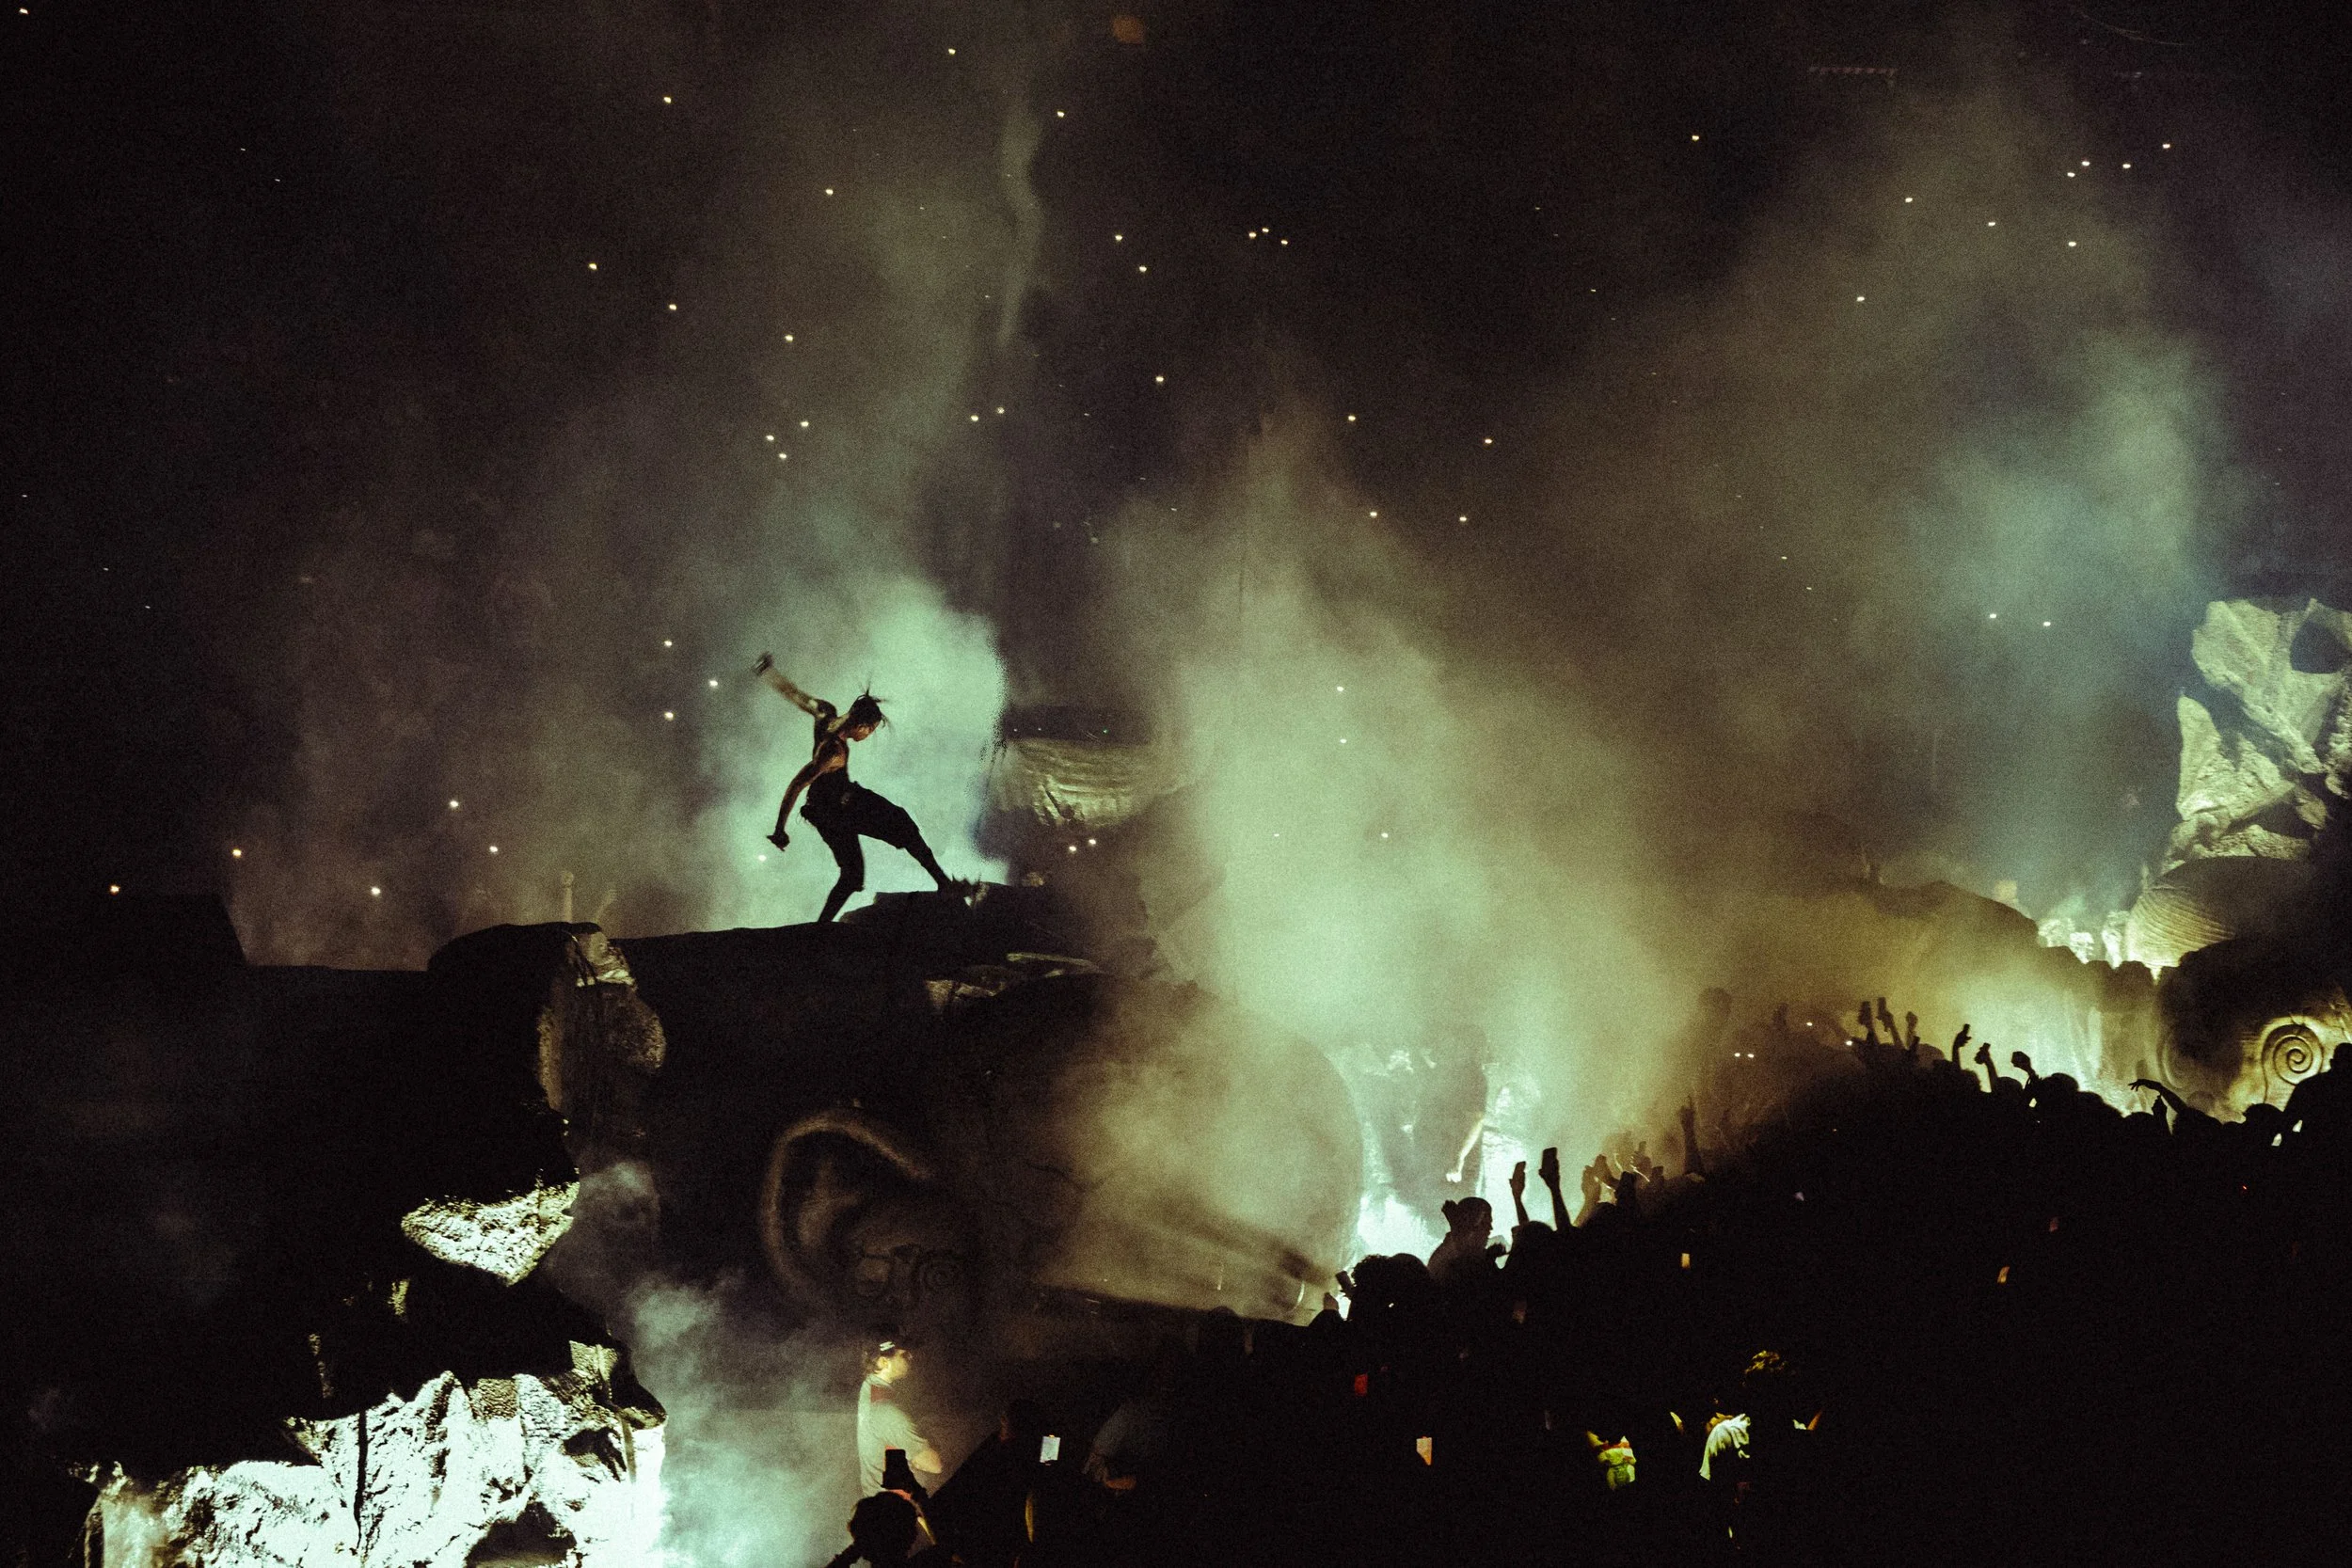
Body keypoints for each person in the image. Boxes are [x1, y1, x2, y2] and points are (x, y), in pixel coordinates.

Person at [755, 653, 958, 923]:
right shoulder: (833, 751)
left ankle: (822, 925)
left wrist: (767, 672)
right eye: (870, 731)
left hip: (833, 805)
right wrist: (780, 829)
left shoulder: (824, 712)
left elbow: (795, 695)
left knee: (853, 876)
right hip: (835, 810)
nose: (867, 736)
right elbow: (797, 784)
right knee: (901, 823)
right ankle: (944, 884)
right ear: (862, 725)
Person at [857, 1341, 942, 1497]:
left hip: (883, 1500)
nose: (911, 1357)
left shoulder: (869, 1389)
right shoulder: (886, 1411)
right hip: (895, 1507)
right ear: (883, 1362)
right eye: (904, 1355)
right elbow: (934, 1465)